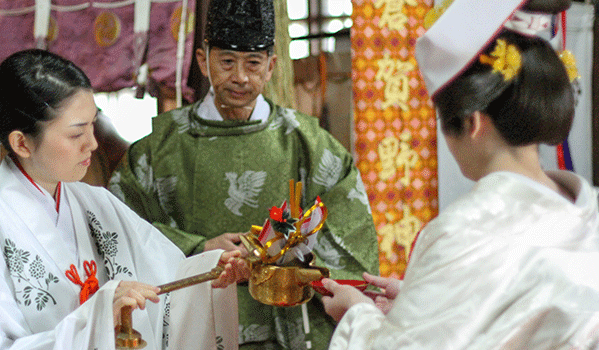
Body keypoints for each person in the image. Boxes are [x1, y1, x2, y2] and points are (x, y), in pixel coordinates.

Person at [320, 0, 599, 348]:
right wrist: (420, 300)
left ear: (472, 122)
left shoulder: (464, 233)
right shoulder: (590, 213)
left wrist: (358, 315)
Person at [108, 0, 380, 348]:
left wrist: (284, 255)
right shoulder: (157, 150)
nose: (240, 77)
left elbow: (351, 232)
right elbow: (118, 227)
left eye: (253, 63)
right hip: (193, 322)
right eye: (226, 62)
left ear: (271, 67)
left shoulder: (309, 145)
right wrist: (198, 248)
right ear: (203, 62)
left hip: (284, 325)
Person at [0, 49, 249, 350]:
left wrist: (210, 270)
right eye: (76, 134)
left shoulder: (96, 202)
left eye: (93, 125)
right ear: (22, 142)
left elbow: (163, 273)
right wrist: (95, 321)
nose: (93, 144)